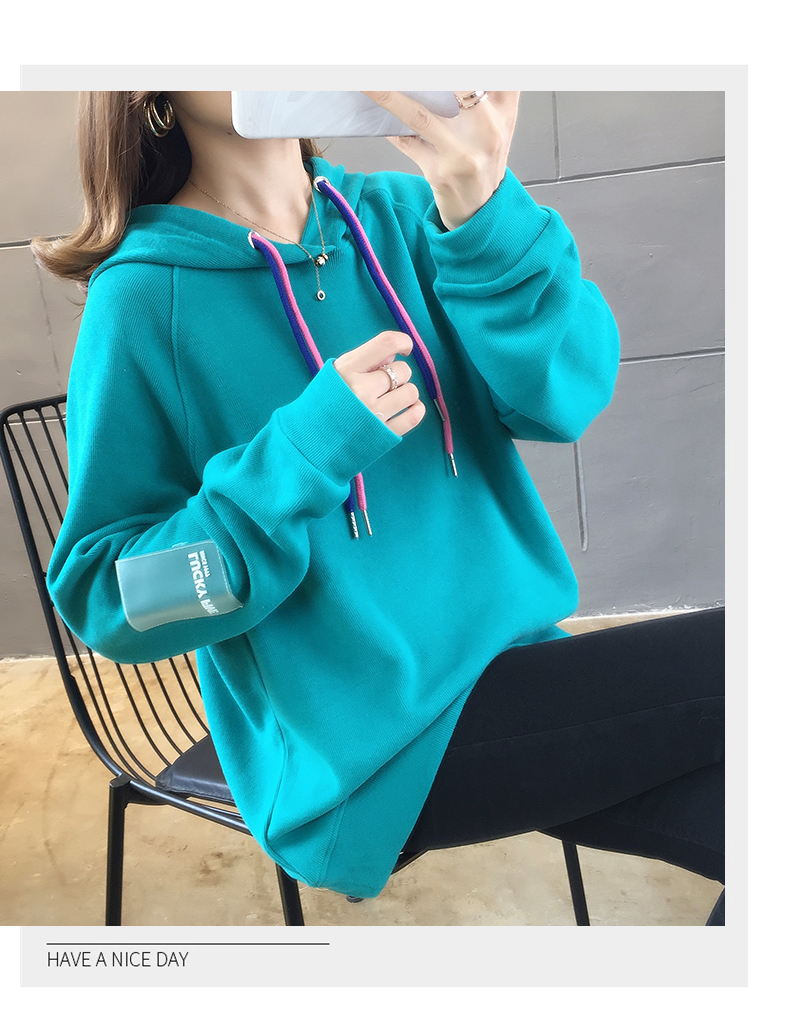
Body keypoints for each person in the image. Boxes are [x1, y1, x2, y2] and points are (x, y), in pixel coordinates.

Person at [35, 91, 723, 922]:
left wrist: (485, 209)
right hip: (367, 753)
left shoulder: (407, 213)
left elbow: (567, 396)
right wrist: (297, 459)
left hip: (523, 668)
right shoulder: (144, 299)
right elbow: (114, 600)